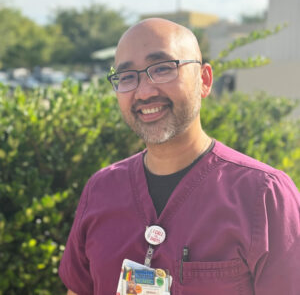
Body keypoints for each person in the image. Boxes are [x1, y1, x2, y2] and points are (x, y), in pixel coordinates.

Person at [59, 18, 300, 295]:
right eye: (127, 77)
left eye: (162, 69)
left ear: (204, 81)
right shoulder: (101, 190)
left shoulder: (264, 196)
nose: (144, 91)